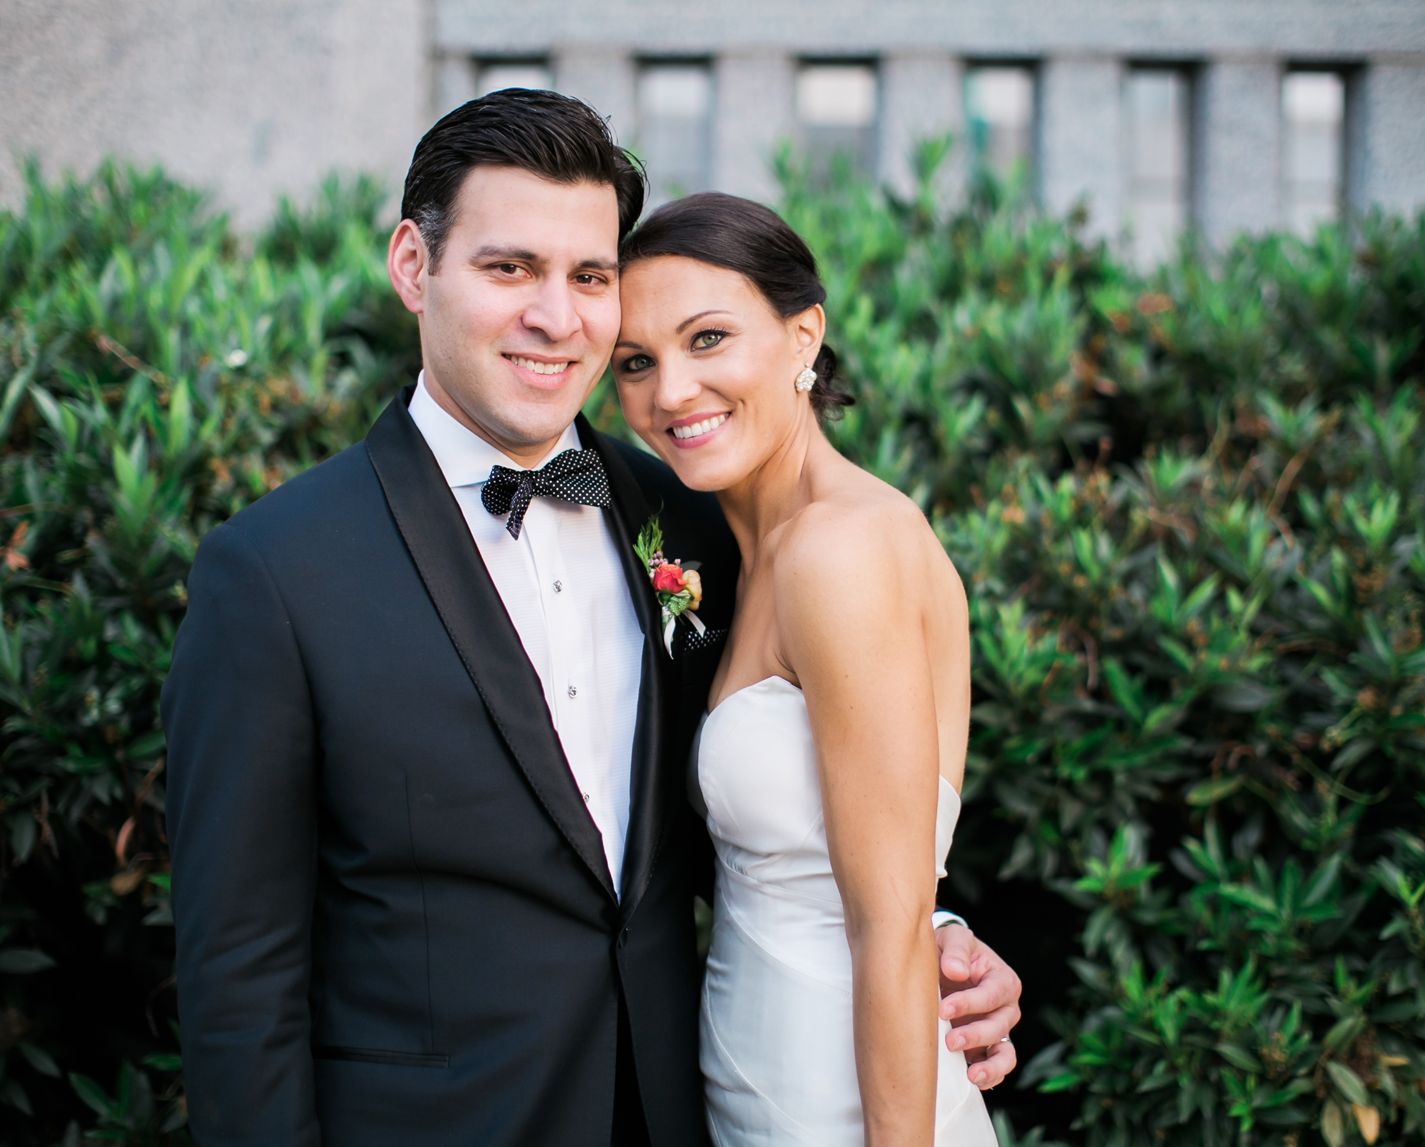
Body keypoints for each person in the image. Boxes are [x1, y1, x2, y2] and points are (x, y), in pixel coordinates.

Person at [162, 88, 1019, 1146]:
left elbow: (770, 815)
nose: (555, 316)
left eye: (589, 277)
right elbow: (239, 968)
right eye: (508, 267)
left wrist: (933, 933)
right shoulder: (273, 572)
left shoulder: (685, 520)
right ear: (412, 266)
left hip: (683, 1109)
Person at [612, 192, 1000, 1146]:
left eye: (708, 338)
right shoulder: (744, 551)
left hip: (844, 1096)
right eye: (635, 361)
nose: (670, 391)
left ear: (802, 337)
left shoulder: (841, 550)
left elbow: (889, 922)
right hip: (756, 1070)